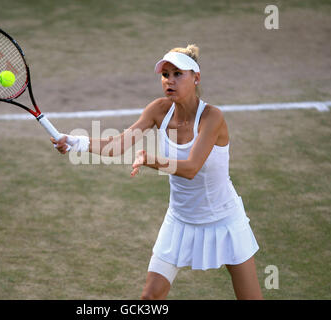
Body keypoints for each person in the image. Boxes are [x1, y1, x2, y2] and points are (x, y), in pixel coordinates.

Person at [51, 44, 263, 300]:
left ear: (196, 78)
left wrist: (152, 160)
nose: (169, 81)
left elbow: (192, 168)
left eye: (178, 74)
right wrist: (76, 142)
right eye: (165, 75)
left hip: (223, 220)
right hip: (180, 219)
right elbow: (118, 144)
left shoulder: (212, 117)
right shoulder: (158, 110)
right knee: (149, 298)